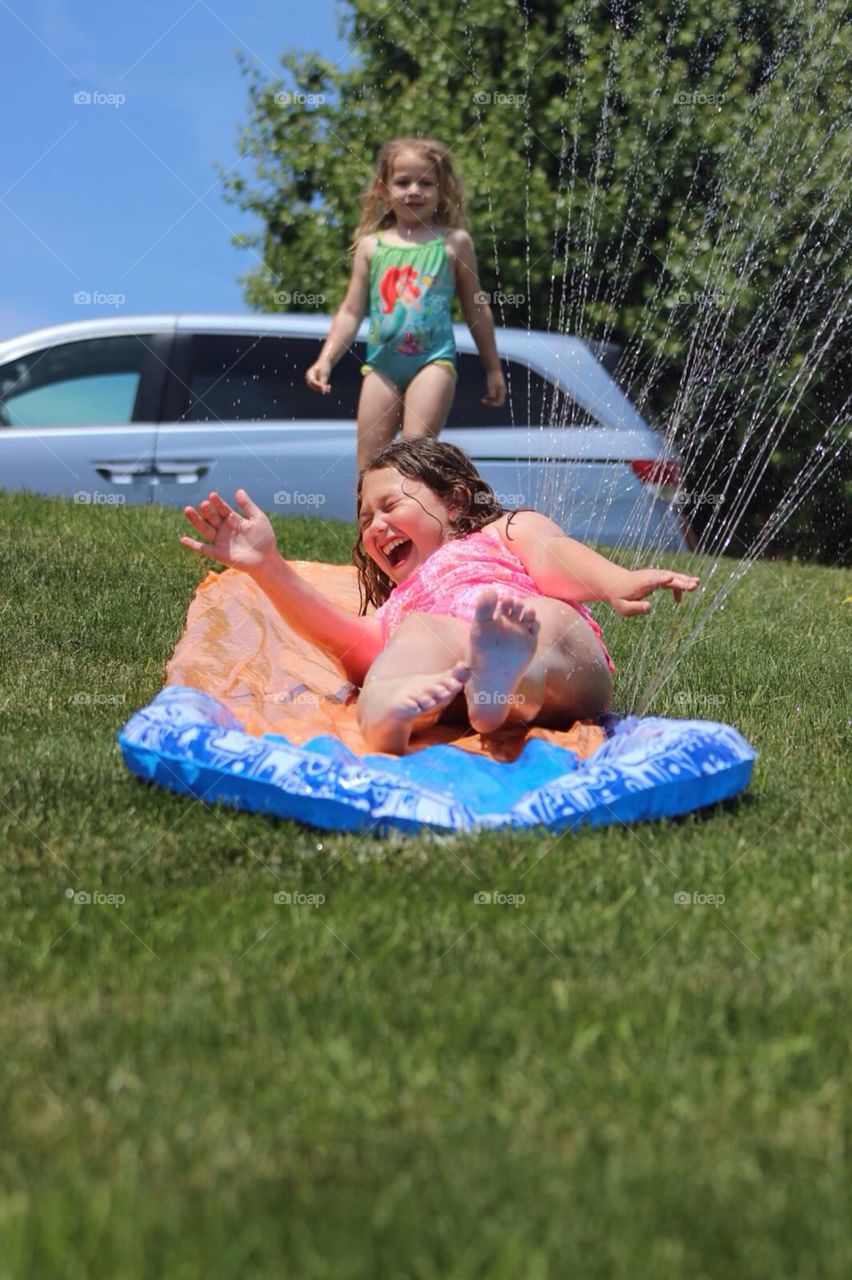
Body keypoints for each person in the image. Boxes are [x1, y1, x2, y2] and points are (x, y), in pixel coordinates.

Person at [180, 440, 700, 756]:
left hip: (525, 630)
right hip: (453, 653)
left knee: (546, 619)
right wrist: (267, 568)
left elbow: (555, 557)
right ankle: (392, 712)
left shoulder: (504, 531)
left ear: (453, 501)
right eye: (366, 520)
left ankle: (511, 682)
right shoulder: (404, 604)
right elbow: (349, 644)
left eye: (388, 505)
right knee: (408, 641)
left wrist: (613, 582)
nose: (376, 526)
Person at [304, 136, 507, 469]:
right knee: (369, 461)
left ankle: (409, 520)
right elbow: (351, 311)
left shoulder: (454, 243)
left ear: (442, 190)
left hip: (432, 361)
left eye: (426, 182)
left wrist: (493, 368)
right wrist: (325, 359)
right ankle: (368, 523)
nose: (414, 190)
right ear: (384, 189)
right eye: (403, 182)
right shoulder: (372, 247)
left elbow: (476, 307)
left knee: (416, 455)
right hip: (381, 365)